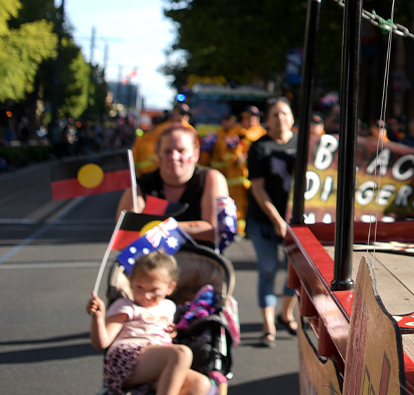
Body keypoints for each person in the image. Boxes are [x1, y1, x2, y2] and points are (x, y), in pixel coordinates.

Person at [87, 251, 212, 395]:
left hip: (158, 364)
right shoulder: (126, 306)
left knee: (201, 384)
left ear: (169, 288)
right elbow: (102, 342)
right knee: (182, 353)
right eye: (139, 288)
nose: (145, 295)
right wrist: (98, 317)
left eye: (154, 291)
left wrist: (173, 332)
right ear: (131, 282)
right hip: (127, 359)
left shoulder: (168, 307)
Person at [117, 124, 229, 244]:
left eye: (181, 151)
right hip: (154, 255)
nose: (174, 157)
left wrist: (163, 228)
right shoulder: (141, 185)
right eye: (167, 151)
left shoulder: (211, 179)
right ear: (158, 155)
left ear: (195, 155)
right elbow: (124, 234)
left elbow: (215, 230)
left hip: (201, 254)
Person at [246, 97, 297, 346]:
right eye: (275, 115)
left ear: (292, 117)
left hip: (296, 222)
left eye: (284, 113)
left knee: (296, 271)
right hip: (264, 220)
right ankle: (268, 326)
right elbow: (258, 188)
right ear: (267, 120)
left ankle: (286, 313)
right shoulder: (259, 147)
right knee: (268, 269)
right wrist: (277, 220)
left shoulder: (304, 144)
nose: (280, 119)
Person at [208, 105, 263, 235]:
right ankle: (239, 231)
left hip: (256, 176)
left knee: (256, 204)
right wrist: (234, 159)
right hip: (237, 176)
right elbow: (225, 152)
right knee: (238, 205)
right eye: (245, 117)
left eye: (251, 117)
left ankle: (253, 230)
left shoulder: (261, 133)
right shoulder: (235, 133)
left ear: (257, 119)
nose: (247, 120)